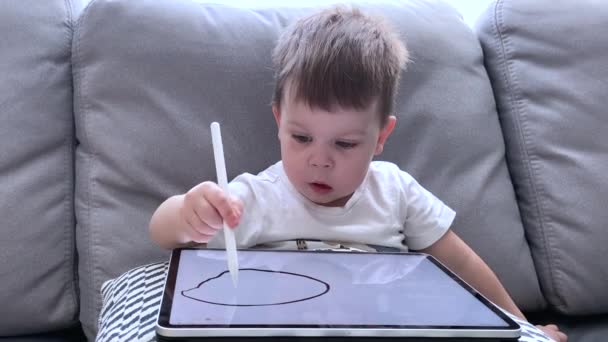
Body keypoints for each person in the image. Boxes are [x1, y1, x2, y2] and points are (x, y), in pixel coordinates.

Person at [149, 5, 566, 342]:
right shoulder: (252, 198)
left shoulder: (396, 191)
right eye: (301, 137)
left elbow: (463, 263)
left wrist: (522, 324)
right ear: (279, 122)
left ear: (381, 136)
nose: (320, 160)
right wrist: (188, 211)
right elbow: (163, 233)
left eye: (344, 144)